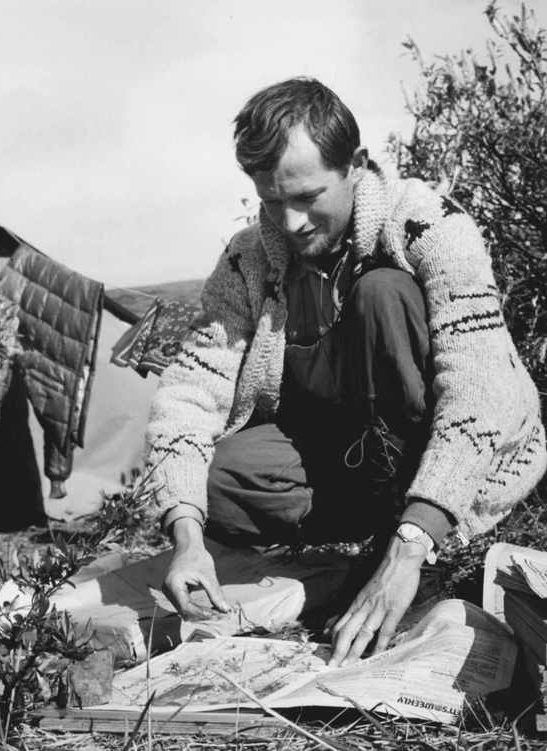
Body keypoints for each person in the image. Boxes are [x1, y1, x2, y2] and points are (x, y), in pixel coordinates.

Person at [145, 77, 546, 666]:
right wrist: (186, 538)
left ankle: (407, 537)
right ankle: (364, 547)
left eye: (308, 196)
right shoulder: (246, 258)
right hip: (339, 459)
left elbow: (480, 392)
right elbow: (187, 391)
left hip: (449, 457)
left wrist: (410, 547)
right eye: (271, 200)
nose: (291, 221)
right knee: (211, 478)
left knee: (385, 294)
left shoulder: (431, 224)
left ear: (356, 164)